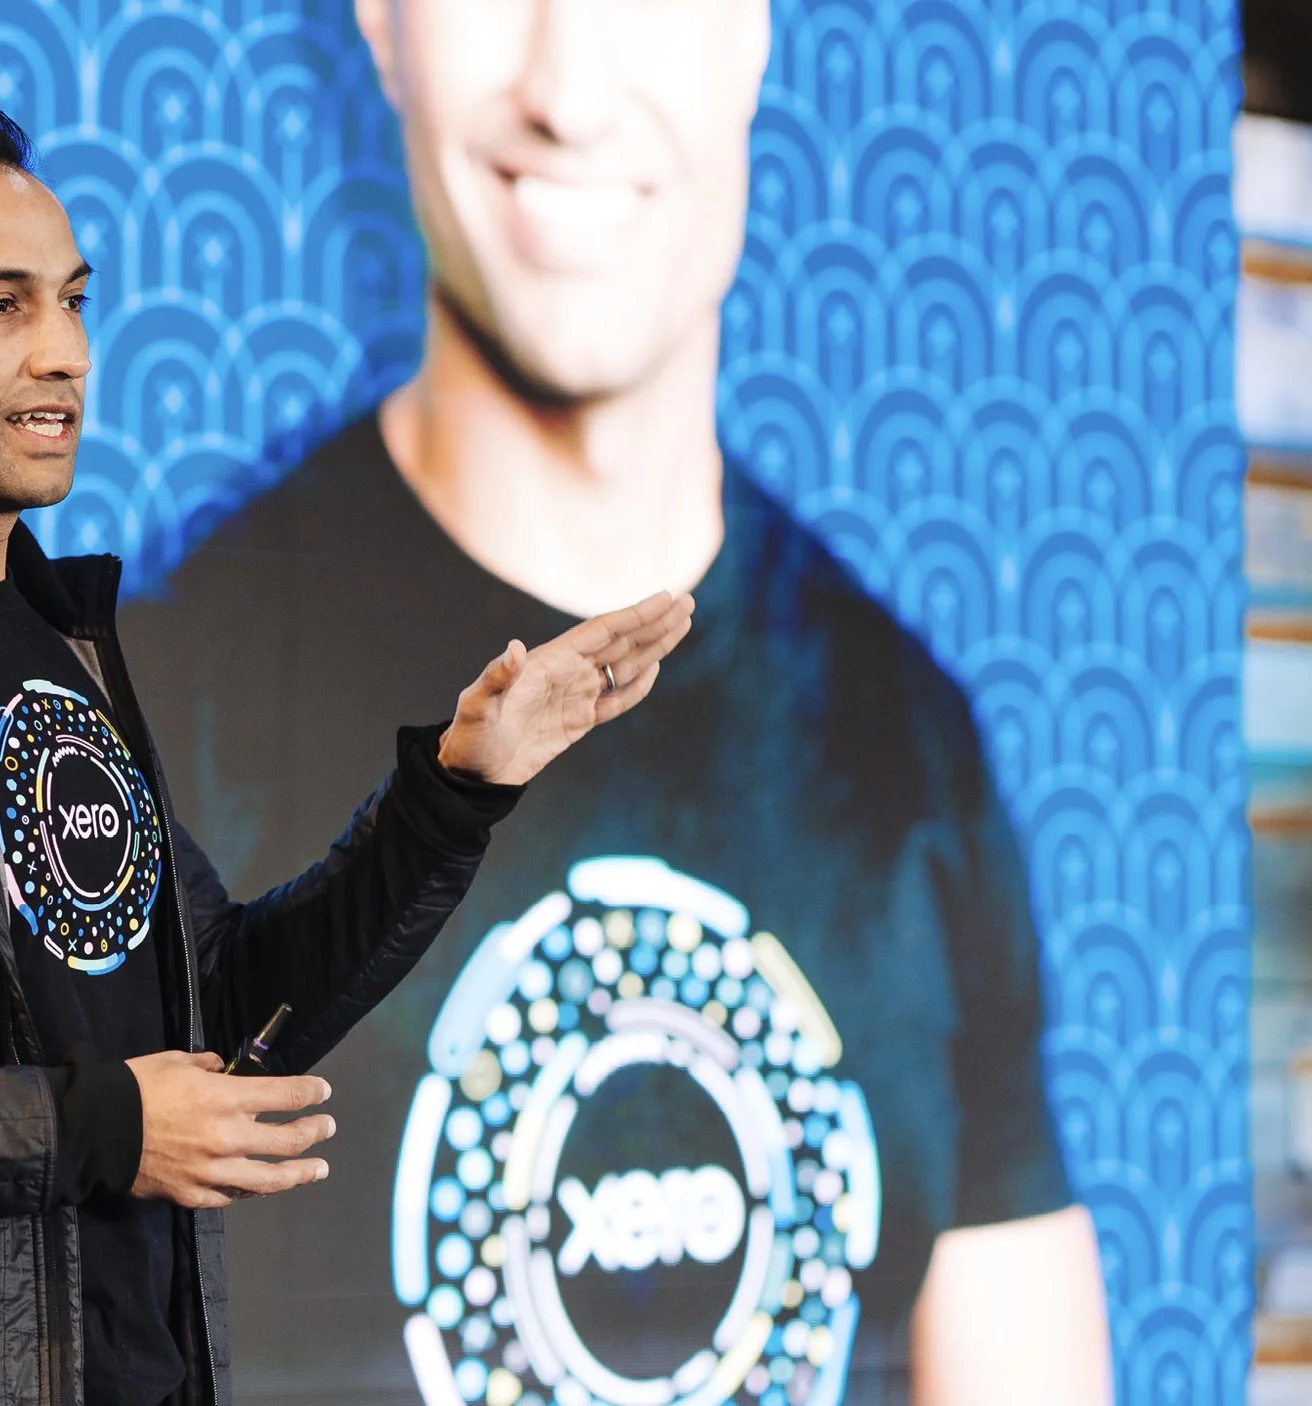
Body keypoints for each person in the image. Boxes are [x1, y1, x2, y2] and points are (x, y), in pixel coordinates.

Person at [0, 97, 692, 1406]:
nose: (63, 354)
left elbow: (220, 1024)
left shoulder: (58, 653)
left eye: (72, 302)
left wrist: (452, 794)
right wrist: (95, 1125)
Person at [118, 2, 1114, 1404]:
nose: (567, 88)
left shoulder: (913, 736)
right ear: (379, 27)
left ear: (756, 31)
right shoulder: (155, 709)